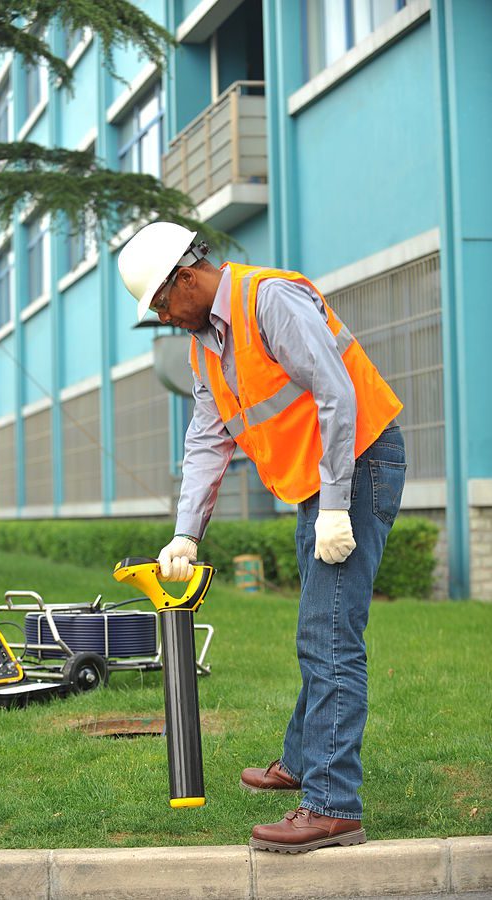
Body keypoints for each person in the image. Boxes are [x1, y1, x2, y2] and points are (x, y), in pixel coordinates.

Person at [118, 222, 406, 854]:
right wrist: (185, 534)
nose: (164, 317)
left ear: (187, 277)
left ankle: (334, 806)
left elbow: (336, 393)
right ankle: (304, 762)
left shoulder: (268, 299)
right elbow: (207, 437)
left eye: (163, 304)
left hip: (358, 465)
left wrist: (335, 505)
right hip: (322, 479)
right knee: (318, 626)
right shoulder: (206, 344)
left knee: (331, 636)